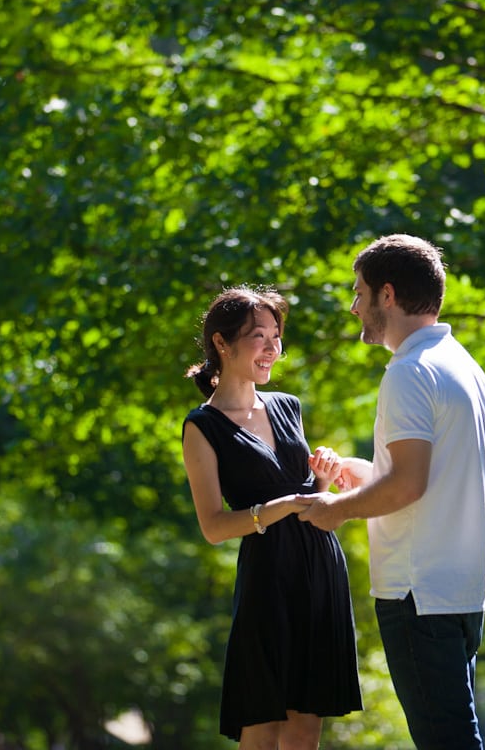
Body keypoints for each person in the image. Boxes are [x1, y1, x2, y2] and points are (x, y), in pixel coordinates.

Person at [297, 234, 485, 749]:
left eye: (359, 292)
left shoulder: (409, 372)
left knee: (445, 741)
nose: (353, 306)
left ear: (387, 295)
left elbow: (409, 484)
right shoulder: (464, 367)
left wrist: (335, 510)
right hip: (460, 590)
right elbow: (428, 476)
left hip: (418, 592)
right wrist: (358, 471)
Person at [181, 285, 363, 748]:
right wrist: (276, 508)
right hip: (268, 576)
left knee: (306, 724)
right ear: (222, 343)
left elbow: (307, 495)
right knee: (261, 721)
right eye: (259, 336)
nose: (272, 348)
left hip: (319, 566)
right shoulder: (201, 426)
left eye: (276, 336)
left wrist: (321, 479)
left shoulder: (288, 406)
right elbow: (214, 526)